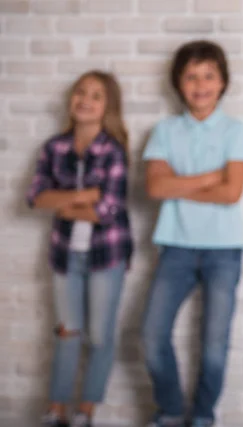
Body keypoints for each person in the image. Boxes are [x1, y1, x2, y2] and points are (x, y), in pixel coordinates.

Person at [141, 40, 243, 427]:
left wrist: (179, 182)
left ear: (222, 82)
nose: (200, 84)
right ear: (178, 83)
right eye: (191, 76)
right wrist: (209, 176)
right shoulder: (164, 130)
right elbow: (155, 188)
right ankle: (171, 412)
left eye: (208, 75)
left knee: (214, 347)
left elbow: (231, 192)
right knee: (152, 337)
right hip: (176, 247)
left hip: (224, 250)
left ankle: (202, 417)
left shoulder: (236, 131)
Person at [27, 70, 133, 427]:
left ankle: (85, 411)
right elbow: (37, 197)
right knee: (67, 330)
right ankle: (56, 409)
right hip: (64, 254)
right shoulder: (53, 148)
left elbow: (108, 210)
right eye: (80, 92)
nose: (85, 100)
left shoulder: (113, 150)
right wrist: (84, 195)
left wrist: (65, 202)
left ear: (108, 107)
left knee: (100, 334)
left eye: (96, 95)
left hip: (107, 255)